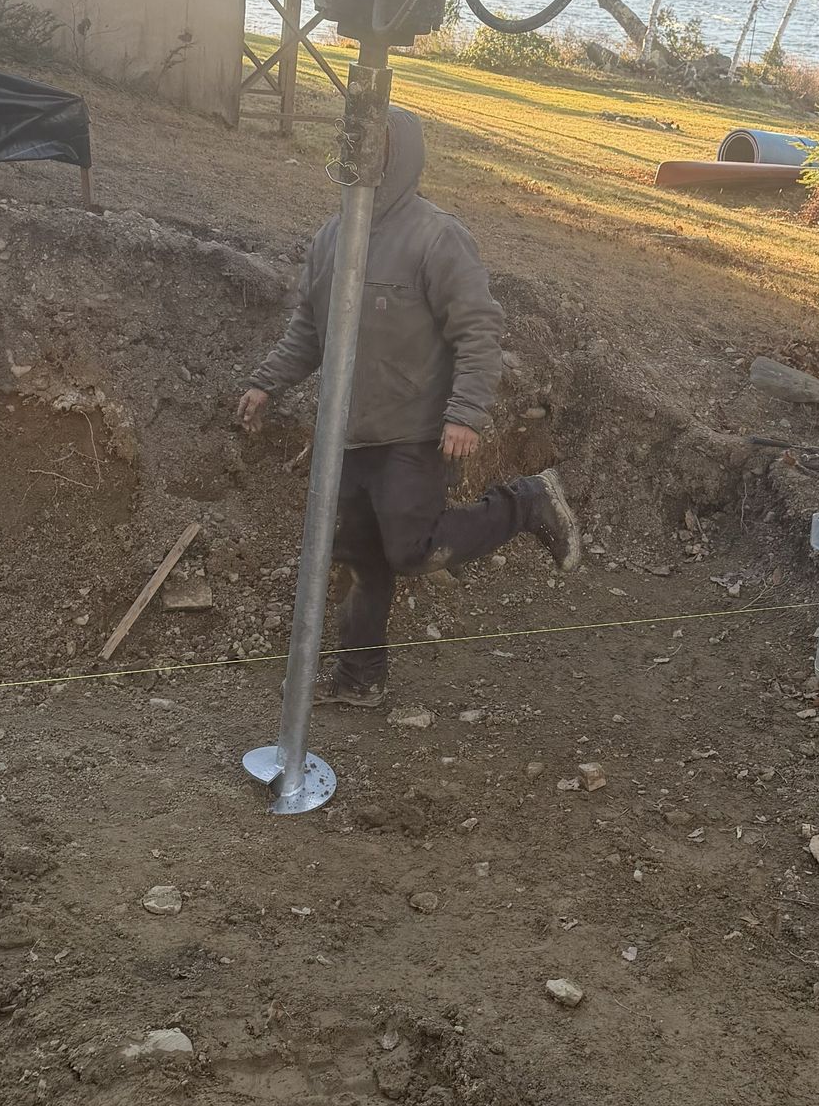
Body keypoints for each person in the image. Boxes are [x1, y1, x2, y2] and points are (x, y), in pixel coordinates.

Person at [237, 105, 580, 707]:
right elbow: (308, 331)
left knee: (411, 551)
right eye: (351, 146)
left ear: (396, 158)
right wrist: (268, 382)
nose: (355, 159)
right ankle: (359, 681)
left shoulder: (436, 236)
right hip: (347, 434)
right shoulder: (330, 238)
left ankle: (527, 503)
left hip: (413, 433)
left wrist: (465, 411)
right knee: (358, 559)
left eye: (369, 147)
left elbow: (477, 330)